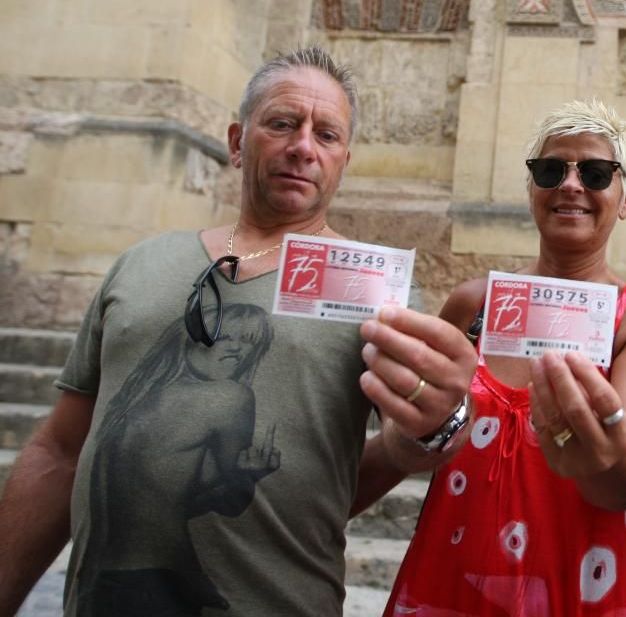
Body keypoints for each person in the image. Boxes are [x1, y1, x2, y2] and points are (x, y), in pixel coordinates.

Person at [0, 47, 477, 616]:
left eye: (326, 135)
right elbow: (59, 450)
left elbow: (399, 441)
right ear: (236, 141)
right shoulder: (141, 263)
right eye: (281, 124)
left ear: (343, 161)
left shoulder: (376, 289)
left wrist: (433, 428)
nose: (303, 146)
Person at [380, 99, 626, 616]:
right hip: (453, 570)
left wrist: (593, 442)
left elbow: (624, 483)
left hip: (576, 578)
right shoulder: (474, 304)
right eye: (550, 170)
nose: (570, 184)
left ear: (625, 197)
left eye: (595, 172)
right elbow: (418, 437)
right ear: (531, 190)